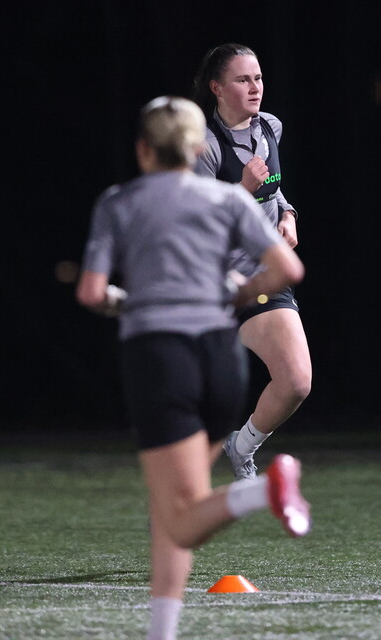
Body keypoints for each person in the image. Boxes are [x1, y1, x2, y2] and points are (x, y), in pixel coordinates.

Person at [76, 96, 310, 640]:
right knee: (177, 504)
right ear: (196, 147)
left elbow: (91, 291)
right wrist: (240, 290)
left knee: (177, 511)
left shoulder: (119, 201)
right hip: (220, 357)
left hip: (162, 357)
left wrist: (119, 299)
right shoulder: (225, 200)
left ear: (142, 149)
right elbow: (288, 266)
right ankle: (163, 631)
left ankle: (266, 488)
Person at [191, 43, 311, 481]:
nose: (255, 87)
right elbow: (199, 227)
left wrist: (289, 214)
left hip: (262, 276)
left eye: (258, 77)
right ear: (217, 88)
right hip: (215, 284)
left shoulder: (269, 128)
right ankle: (172, 505)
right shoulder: (203, 146)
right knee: (204, 399)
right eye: (243, 79)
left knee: (296, 382)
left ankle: (241, 447)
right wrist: (241, 189)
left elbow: (274, 188)